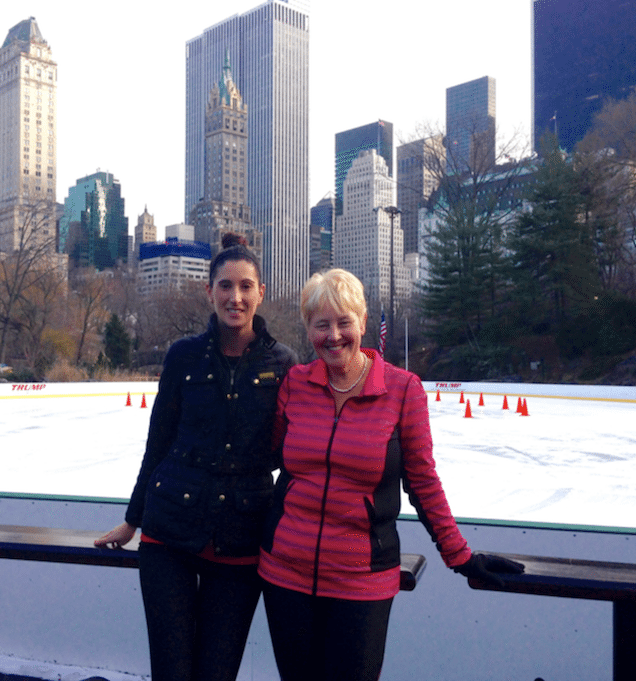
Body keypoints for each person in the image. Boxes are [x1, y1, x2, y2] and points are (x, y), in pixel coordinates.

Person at [258, 268, 522, 681]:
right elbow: (267, 456)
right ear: (308, 328)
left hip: (360, 580)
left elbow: (422, 481)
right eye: (321, 324)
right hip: (284, 574)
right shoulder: (295, 383)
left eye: (344, 322)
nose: (333, 335)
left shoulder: (402, 390)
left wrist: (460, 556)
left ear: (363, 323)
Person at [95, 233, 297, 681]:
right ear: (209, 292)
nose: (236, 297)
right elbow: (159, 442)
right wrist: (133, 518)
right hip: (169, 535)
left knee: (216, 673)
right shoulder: (183, 356)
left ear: (261, 293)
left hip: (241, 538)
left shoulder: (283, 364)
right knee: (171, 671)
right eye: (225, 286)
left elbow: (294, 455)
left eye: (246, 286)